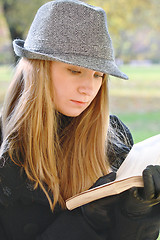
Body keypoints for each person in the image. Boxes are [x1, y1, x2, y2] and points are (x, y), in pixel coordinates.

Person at [0, 0, 160, 239]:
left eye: (98, 75)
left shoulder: (113, 138)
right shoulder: (5, 144)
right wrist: (85, 220)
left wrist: (136, 216)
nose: (89, 88)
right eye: (75, 70)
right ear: (38, 67)